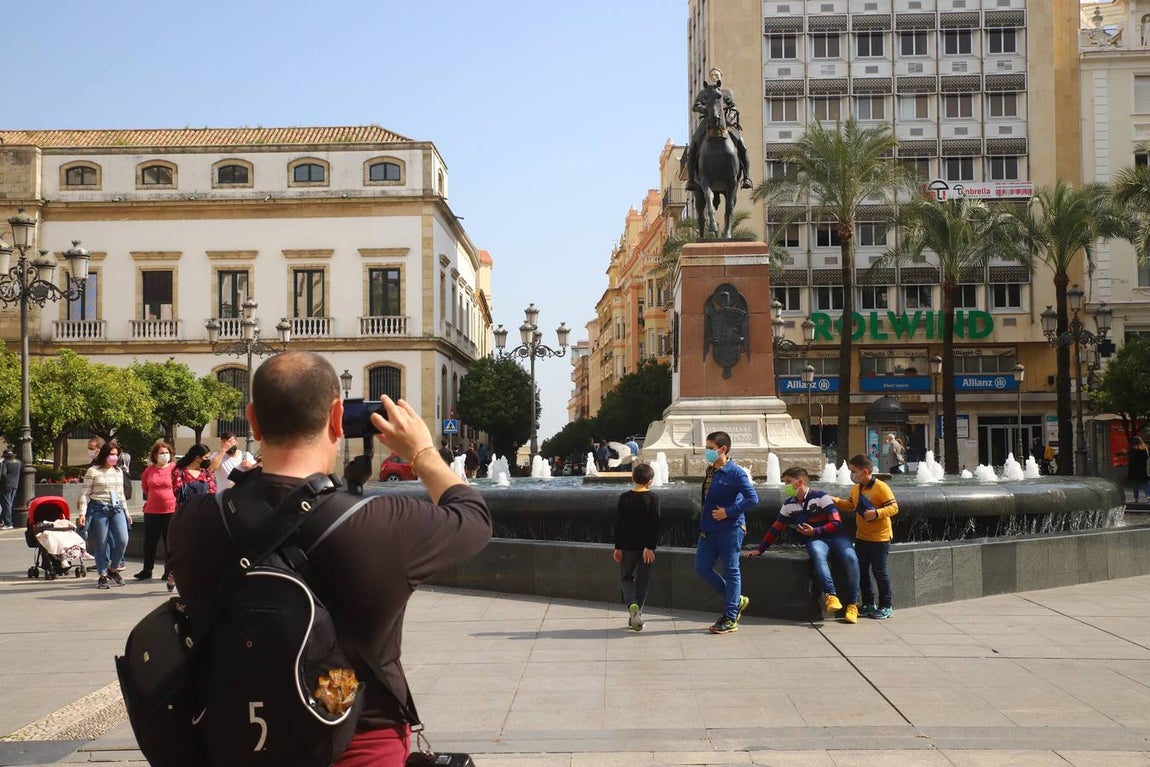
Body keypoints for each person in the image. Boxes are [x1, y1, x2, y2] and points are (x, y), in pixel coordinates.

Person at [168, 351, 491, 765]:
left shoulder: (194, 521)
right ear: (338, 417)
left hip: (236, 738)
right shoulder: (381, 523)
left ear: (253, 419)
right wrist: (423, 452)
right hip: (359, 740)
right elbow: (473, 516)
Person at [744, 466, 861, 623]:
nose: (785, 486)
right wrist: (760, 549)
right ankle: (831, 596)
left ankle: (852, 605)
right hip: (817, 541)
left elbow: (837, 523)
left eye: (788, 482)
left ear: (799, 482)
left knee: (850, 558)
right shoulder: (788, 505)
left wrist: (815, 531)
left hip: (837, 537)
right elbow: (776, 528)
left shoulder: (821, 497)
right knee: (818, 555)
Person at [696, 431, 758, 634]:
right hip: (709, 529)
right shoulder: (711, 470)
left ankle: (730, 616)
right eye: (706, 448)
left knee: (731, 570)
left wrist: (728, 512)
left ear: (723, 449)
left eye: (710, 448)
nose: (707, 452)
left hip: (730, 528)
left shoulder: (736, 472)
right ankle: (737, 600)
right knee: (702, 569)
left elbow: (752, 498)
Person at [833, 455, 898, 620]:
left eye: (854, 471)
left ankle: (886, 605)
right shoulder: (856, 489)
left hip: (880, 538)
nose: (851, 474)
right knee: (861, 571)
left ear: (865, 471)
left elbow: (894, 507)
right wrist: (835, 501)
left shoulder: (881, 487)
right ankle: (869, 603)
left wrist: (876, 513)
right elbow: (851, 505)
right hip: (862, 537)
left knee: (879, 572)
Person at [684, 67, 752, 192]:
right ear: (710, 78)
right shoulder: (704, 92)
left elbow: (733, 108)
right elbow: (696, 106)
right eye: (712, 75)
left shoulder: (727, 93)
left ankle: (746, 177)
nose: (715, 77)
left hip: (726, 123)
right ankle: (691, 180)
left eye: (717, 75)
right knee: (694, 144)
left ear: (721, 77)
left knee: (742, 144)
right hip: (707, 123)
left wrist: (729, 119)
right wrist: (707, 110)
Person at [613, 462, 661, 632]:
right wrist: (650, 546)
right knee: (643, 581)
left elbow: (619, 524)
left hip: (627, 547)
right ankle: (638, 612)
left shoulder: (624, 498)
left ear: (633, 478)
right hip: (645, 549)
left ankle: (631, 604)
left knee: (626, 577)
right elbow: (654, 524)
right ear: (650, 481)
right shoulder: (653, 498)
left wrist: (617, 547)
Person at [77, 442, 129, 590]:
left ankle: (113, 569)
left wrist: (126, 512)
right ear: (104, 455)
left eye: (115, 454)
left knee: (123, 540)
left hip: (117, 508)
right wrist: (82, 513)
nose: (113, 457)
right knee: (101, 543)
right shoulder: (93, 471)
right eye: (111, 454)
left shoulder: (118, 471)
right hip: (99, 508)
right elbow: (85, 494)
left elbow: (121, 494)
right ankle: (102, 575)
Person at [136, 440, 177, 590]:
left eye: (166, 453)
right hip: (152, 511)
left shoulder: (174, 468)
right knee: (150, 542)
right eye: (161, 453)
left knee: (170, 542)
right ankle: (147, 570)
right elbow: (145, 488)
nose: (164, 455)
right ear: (155, 455)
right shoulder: (149, 470)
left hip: (171, 510)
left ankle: (169, 571)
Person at [0, 449, 20, 529]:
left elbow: (3, 475)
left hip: (5, 486)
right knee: (9, 504)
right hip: (15, 485)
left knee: (6, 504)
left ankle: (8, 523)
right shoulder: (18, 462)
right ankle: (2, 520)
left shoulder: (5, 463)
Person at [1128, 436, 1150, 502]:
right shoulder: (1145, 449)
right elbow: (1147, 458)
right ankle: (1148, 496)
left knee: (1135, 485)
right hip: (1143, 469)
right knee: (1145, 484)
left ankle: (1136, 498)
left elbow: (1131, 461)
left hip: (1134, 470)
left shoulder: (1132, 450)